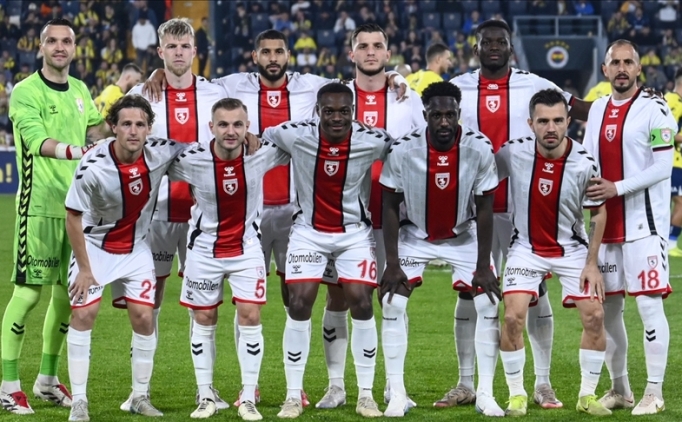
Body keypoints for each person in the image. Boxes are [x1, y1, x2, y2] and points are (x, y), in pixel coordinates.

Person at [142, 27, 407, 408]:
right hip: (249, 211)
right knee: (246, 301)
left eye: (278, 51)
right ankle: (247, 387)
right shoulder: (231, 85)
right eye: (265, 52)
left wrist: (392, 74)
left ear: (287, 55)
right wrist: (160, 73)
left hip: (292, 210)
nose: (272, 58)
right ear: (255, 56)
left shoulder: (311, 86)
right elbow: (186, 78)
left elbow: (352, 84)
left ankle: (308, 387)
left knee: (295, 297)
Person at [445, 19, 592, 409]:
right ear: (476, 48)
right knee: (469, 292)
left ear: (511, 48)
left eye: (501, 42)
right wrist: (395, 79)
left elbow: (581, 110)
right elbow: (422, 110)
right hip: (473, 211)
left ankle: (542, 383)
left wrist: (632, 103)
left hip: (522, 211)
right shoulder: (458, 87)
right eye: (487, 42)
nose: (494, 47)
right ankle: (465, 383)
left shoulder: (532, 84)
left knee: (535, 293)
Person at [261, 82, 391, 418]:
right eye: (329, 111)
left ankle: (366, 395)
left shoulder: (372, 140)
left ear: (353, 112)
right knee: (298, 302)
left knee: (362, 302)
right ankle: (293, 395)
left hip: (353, 233)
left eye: (344, 111)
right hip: (309, 231)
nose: (336, 118)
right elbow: (265, 135)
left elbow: (399, 152)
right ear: (317, 111)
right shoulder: (295, 134)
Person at [121, 17, 231, 411]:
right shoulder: (142, 94)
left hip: (203, 217)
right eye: (172, 47)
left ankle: (207, 389)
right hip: (155, 216)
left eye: (185, 47)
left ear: (195, 52)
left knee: (204, 304)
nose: (179, 53)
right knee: (147, 303)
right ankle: (139, 392)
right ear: (160, 51)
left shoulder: (215, 93)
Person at [1, 18, 109, 415]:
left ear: (75, 48)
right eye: (52, 41)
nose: (60, 47)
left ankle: (47, 380)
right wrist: (78, 151)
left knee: (68, 296)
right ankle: (7, 385)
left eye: (66, 41)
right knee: (29, 293)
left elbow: (100, 130)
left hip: (77, 210)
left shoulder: (80, 90)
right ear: (41, 47)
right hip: (39, 208)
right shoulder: (25, 91)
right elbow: (36, 141)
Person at [315, 23, 424, 411]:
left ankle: (396, 387)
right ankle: (336, 386)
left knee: (394, 299)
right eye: (363, 46)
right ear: (352, 54)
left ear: (388, 54)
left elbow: (425, 150)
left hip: (397, 216)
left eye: (378, 46)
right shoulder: (336, 98)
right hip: (345, 218)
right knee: (339, 297)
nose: (371, 52)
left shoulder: (407, 100)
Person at [379, 81, 502, 416]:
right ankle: (397, 393)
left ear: (459, 114)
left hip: (463, 234)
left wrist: (483, 266)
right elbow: (389, 205)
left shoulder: (479, 147)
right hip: (415, 235)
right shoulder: (403, 149)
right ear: (425, 115)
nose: (444, 122)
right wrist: (392, 262)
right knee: (391, 302)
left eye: (450, 114)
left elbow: (485, 208)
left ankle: (485, 393)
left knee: (488, 302)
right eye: (437, 115)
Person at [64, 94, 187, 421]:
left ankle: (139, 396)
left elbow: (199, 150)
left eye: (140, 124)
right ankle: (79, 401)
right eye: (127, 124)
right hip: (95, 247)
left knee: (145, 317)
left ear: (149, 129)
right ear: (113, 127)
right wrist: (85, 270)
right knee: (84, 314)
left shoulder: (160, 152)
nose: (134, 131)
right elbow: (72, 217)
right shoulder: (93, 166)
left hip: (135, 248)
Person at [167, 98, 288, 421]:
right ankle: (206, 394)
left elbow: (299, 142)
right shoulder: (192, 159)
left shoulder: (263, 153)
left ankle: (247, 396)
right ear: (211, 127)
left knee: (250, 315)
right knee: (204, 318)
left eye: (237, 124)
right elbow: (154, 159)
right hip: (203, 249)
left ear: (247, 126)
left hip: (247, 247)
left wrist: (264, 135)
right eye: (223, 124)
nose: (230, 131)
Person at [495, 89, 610, 416]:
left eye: (558, 120)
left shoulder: (584, 161)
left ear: (568, 121)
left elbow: (598, 212)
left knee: (595, 316)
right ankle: (516, 395)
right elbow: (484, 182)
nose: (551, 128)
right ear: (530, 123)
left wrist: (592, 263)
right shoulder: (512, 152)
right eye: (543, 121)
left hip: (571, 249)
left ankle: (587, 396)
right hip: (525, 248)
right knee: (513, 317)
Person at [583, 39, 677, 415]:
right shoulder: (597, 109)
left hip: (644, 225)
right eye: (615, 62)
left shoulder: (656, 108)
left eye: (628, 62)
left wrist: (617, 187)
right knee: (609, 311)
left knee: (649, 306)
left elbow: (663, 166)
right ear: (604, 70)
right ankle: (620, 389)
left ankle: (654, 392)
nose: (622, 68)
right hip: (606, 227)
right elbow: (588, 162)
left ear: (639, 68)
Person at [663, 68, 682, 256]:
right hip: (672, 163)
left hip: (678, 162)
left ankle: (667, 243)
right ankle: (670, 243)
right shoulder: (671, 101)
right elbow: (664, 133)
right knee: (679, 203)